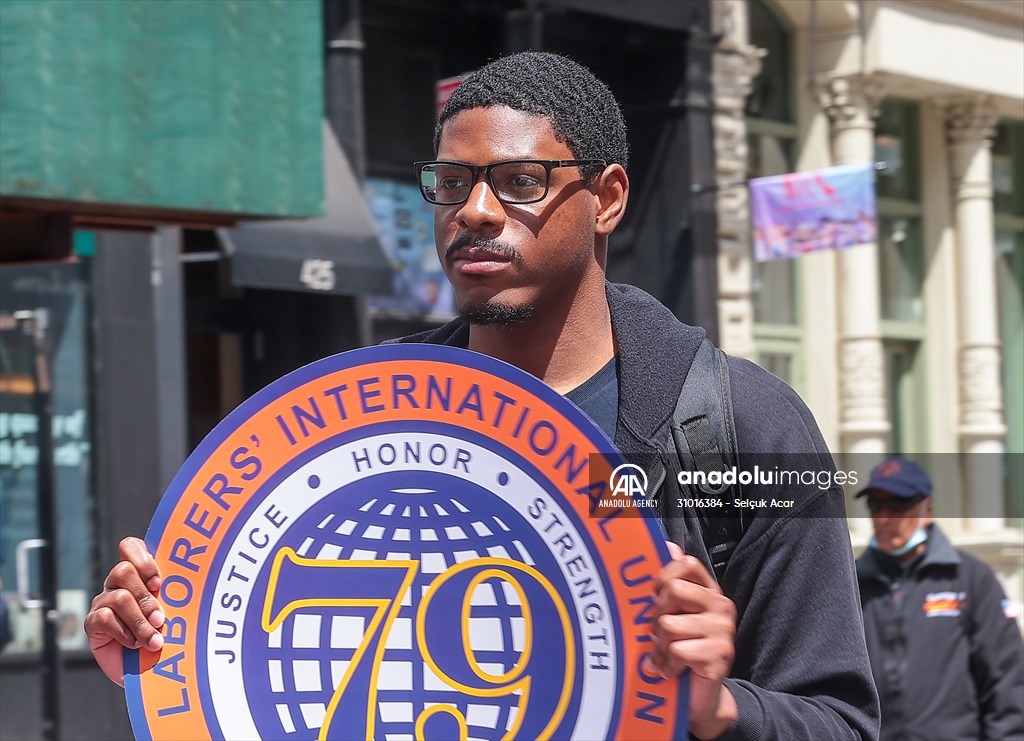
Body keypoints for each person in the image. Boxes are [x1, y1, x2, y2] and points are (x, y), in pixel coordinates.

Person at [85, 51, 879, 740]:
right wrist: (162, 650)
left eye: (520, 181)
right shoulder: (368, 415)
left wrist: (716, 707)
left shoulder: (741, 424)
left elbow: (840, 721)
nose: (474, 210)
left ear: (607, 198)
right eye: (451, 183)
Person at [856, 458, 1024, 740]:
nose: (884, 518)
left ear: (927, 509)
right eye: (876, 505)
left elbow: (1006, 679)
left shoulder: (970, 578)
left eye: (897, 505)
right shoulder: (852, 584)